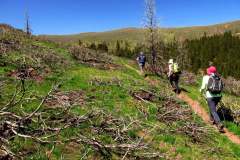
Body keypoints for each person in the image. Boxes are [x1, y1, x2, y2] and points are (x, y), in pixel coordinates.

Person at [200, 66, 224, 132]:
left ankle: (219, 123)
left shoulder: (206, 77)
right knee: (212, 107)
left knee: (213, 110)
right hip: (218, 96)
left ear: (209, 72)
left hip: (210, 96)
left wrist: (201, 92)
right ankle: (211, 120)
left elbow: (202, 87)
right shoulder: (218, 77)